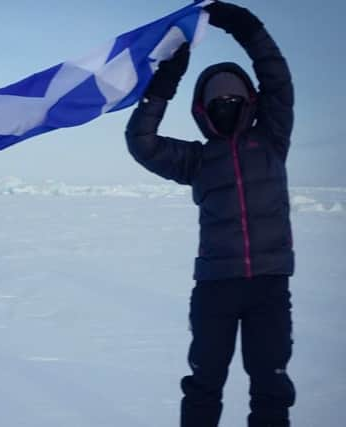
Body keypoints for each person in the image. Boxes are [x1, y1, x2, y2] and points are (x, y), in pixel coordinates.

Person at [125, 2, 295, 426]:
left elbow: (277, 79)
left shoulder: (272, 140)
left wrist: (247, 28)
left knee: (271, 387)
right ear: (201, 108)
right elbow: (141, 142)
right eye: (216, 98)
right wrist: (165, 82)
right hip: (215, 288)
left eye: (234, 96)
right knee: (204, 385)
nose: (226, 102)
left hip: (269, 287)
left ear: (250, 102)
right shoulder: (197, 160)